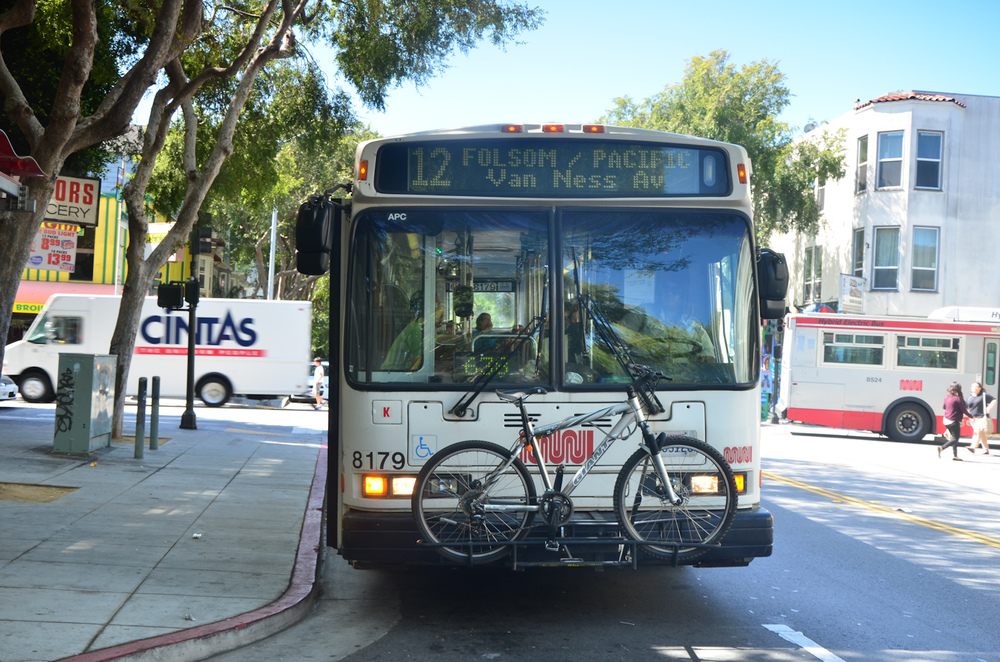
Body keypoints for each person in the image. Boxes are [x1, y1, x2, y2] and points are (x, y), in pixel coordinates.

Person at [938, 382, 970, 460]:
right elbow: (964, 410)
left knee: (953, 438)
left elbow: (944, 407)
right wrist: (972, 417)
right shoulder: (958, 398)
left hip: (946, 420)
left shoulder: (947, 397)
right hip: (953, 421)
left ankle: (955, 456)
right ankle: (942, 448)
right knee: (955, 438)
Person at [965, 382, 996, 455]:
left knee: (977, 432)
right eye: (973, 386)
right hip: (973, 419)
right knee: (981, 434)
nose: (975, 388)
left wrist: (989, 408)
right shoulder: (969, 397)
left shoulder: (984, 396)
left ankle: (973, 447)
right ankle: (986, 449)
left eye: (977, 386)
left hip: (982, 418)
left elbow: (994, 400)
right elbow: (966, 408)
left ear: (980, 388)